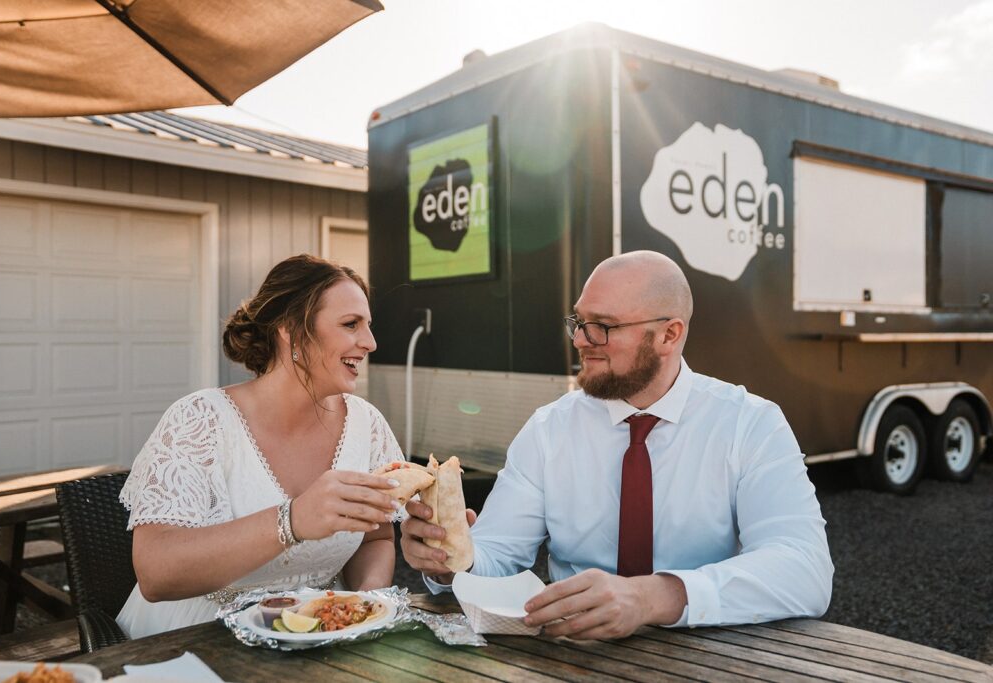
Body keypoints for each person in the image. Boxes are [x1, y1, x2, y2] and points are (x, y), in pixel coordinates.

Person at [401, 250, 833, 639]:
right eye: (579, 321)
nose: (579, 340)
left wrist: (651, 598)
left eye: (602, 327)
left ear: (669, 335)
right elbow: (498, 553)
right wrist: (454, 559)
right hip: (575, 654)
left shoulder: (749, 423)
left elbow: (805, 570)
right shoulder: (549, 429)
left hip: (707, 650)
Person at [117, 254, 405, 638]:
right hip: (189, 640)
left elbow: (377, 536)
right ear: (290, 330)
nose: (369, 342)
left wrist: (366, 604)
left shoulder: (367, 425)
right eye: (350, 324)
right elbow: (156, 573)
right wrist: (292, 521)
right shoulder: (199, 419)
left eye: (368, 326)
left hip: (309, 641)